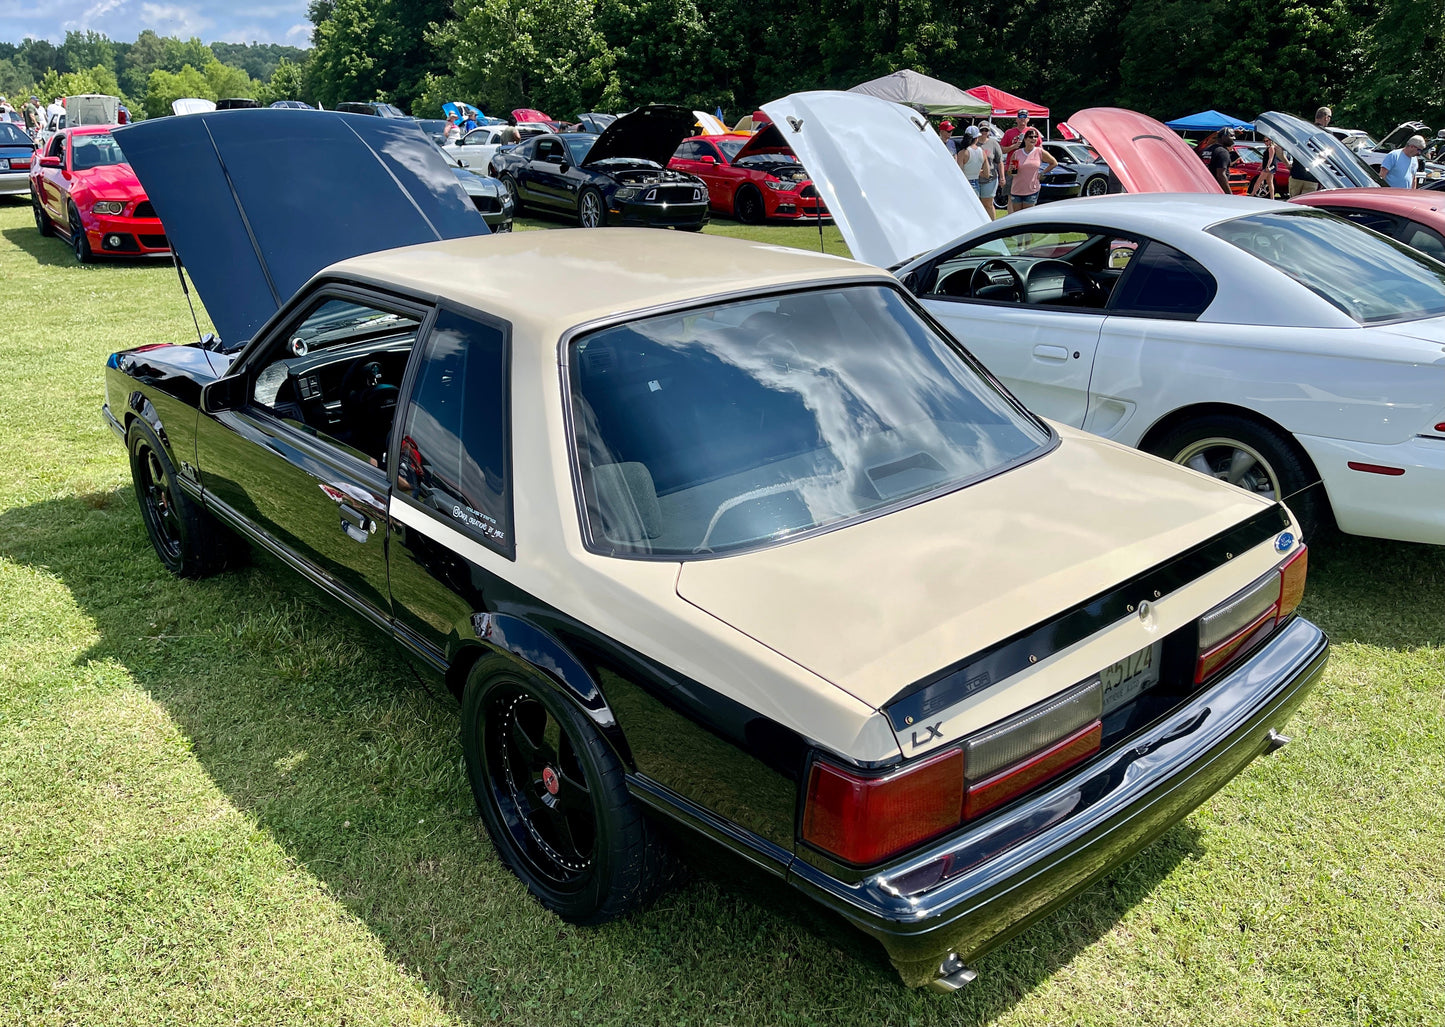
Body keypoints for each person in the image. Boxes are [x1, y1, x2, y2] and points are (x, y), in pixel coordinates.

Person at [1008, 127, 1058, 212]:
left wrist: (1042, 173)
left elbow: (1054, 163)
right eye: (1031, 137)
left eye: (1035, 137)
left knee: (1027, 214)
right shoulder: (1017, 153)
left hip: (1032, 189)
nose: (1033, 139)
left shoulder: (1039, 152)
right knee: (1017, 216)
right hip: (1017, 189)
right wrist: (1012, 170)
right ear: (1025, 139)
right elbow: (1012, 173)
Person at [1288, 106, 1331, 197]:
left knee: (1292, 205)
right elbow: (1326, 156)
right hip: (1313, 177)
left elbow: (1279, 148)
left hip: (1296, 175)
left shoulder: (1302, 130)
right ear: (1326, 117)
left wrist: (1287, 164)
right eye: (1330, 117)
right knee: (1306, 207)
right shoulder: (1327, 134)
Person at [976, 123, 1003, 215]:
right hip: (975, 179)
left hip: (990, 179)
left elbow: (999, 162)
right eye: (982, 130)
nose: (984, 132)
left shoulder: (993, 143)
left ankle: (992, 224)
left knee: (988, 204)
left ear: (989, 132)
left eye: (986, 130)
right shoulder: (973, 143)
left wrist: (1002, 177)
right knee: (976, 204)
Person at [956, 130, 985, 196]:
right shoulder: (982, 152)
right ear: (976, 139)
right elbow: (987, 173)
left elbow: (960, 171)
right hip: (976, 181)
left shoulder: (962, 152)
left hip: (965, 182)